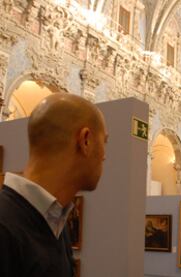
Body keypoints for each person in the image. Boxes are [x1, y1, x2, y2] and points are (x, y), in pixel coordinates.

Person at [0, 94, 108, 277]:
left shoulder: (55, 221)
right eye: (104, 142)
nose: (105, 155)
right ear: (86, 140)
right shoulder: (5, 226)